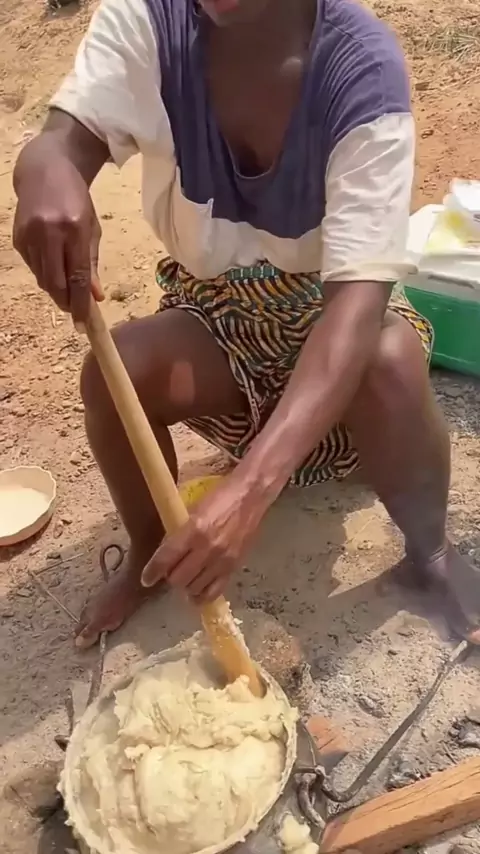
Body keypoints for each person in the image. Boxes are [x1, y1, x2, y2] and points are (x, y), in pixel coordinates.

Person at [13, 0, 480, 649]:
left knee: (390, 358)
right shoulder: (149, 23)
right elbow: (67, 140)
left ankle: (430, 553)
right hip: (220, 316)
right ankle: (153, 549)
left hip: (331, 318)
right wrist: (45, 169)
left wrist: (251, 487)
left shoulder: (362, 71)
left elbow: (356, 305)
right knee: (116, 374)